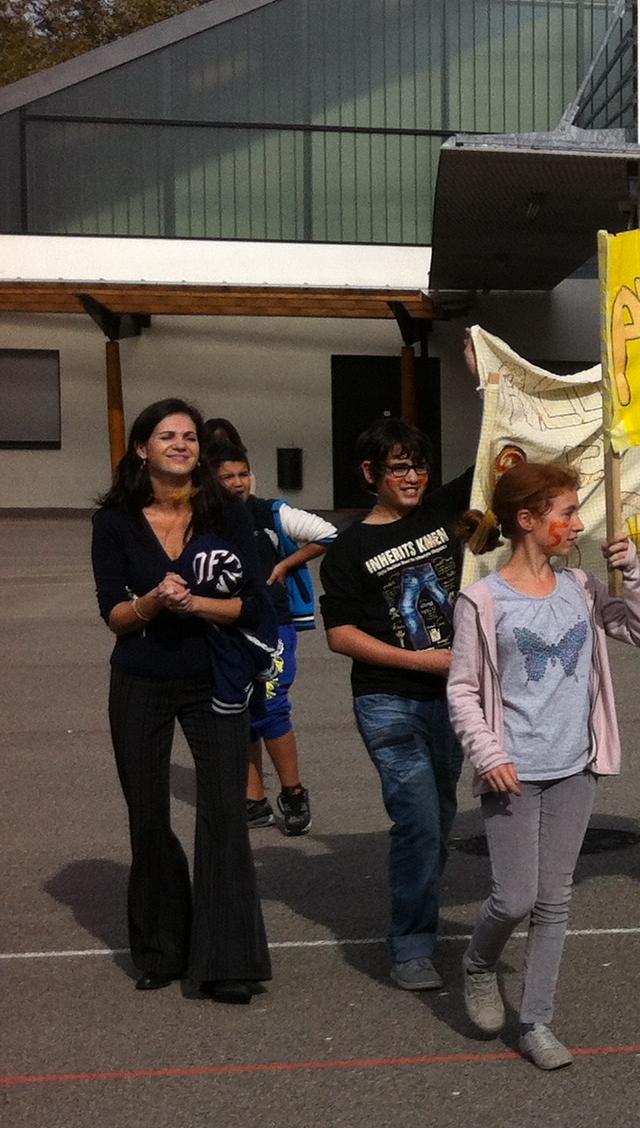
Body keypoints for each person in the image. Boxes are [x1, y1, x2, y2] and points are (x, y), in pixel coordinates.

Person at [446, 461, 640, 1069]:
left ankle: (536, 1022)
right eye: (567, 513)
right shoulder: (482, 600)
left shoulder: (583, 587)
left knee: (554, 899)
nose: (578, 524)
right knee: (514, 898)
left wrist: (632, 576)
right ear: (528, 520)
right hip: (511, 770)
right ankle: (478, 963)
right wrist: (488, 753)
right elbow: (462, 690)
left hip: (575, 766)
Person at [91, 397, 276, 1004]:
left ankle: (227, 961)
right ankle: (161, 949)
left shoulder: (228, 513)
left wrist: (194, 603)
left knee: (224, 814)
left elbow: (253, 605)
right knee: (148, 816)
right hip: (140, 680)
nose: (180, 444)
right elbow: (115, 616)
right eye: (167, 435)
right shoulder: (114, 521)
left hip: (214, 681)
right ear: (141, 448)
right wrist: (150, 602)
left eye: (190, 437)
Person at [319, 419, 475, 993]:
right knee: (418, 820)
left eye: (419, 466)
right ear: (371, 473)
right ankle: (411, 945)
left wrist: (491, 383)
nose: (412, 478)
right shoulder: (348, 548)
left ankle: (420, 920)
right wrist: (423, 661)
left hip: (453, 700)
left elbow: (499, 451)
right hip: (387, 701)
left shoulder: (441, 512)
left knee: (440, 818)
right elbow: (340, 635)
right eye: (399, 468)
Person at [203, 421, 332, 837]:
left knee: (272, 707)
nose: (237, 483)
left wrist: (286, 564)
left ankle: (293, 794)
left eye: (243, 474)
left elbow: (329, 534)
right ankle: (253, 800)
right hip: (225, 626)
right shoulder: (203, 520)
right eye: (227, 477)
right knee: (239, 707)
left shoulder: (270, 513)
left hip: (273, 625)